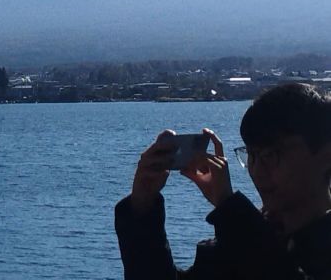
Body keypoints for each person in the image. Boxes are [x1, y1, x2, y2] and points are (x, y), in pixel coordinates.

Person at [115, 82, 331, 279]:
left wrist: (230, 210)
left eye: (272, 155)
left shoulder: (244, 239)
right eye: (252, 155)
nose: (258, 170)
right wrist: (142, 209)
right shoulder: (238, 243)